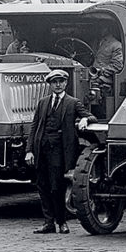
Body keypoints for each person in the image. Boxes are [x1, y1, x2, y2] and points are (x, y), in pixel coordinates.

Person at [24, 69, 80, 234]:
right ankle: (48, 223)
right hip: (41, 150)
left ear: (65, 83)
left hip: (58, 151)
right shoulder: (43, 102)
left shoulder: (73, 102)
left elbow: (90, 116)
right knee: (42, 186)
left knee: (57, 187)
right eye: (54, 82)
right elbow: (34, 127)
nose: (57, 85)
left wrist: (84, 119)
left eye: (60, 82)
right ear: (50, 85)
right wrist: (29, 150)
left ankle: (62, 222)